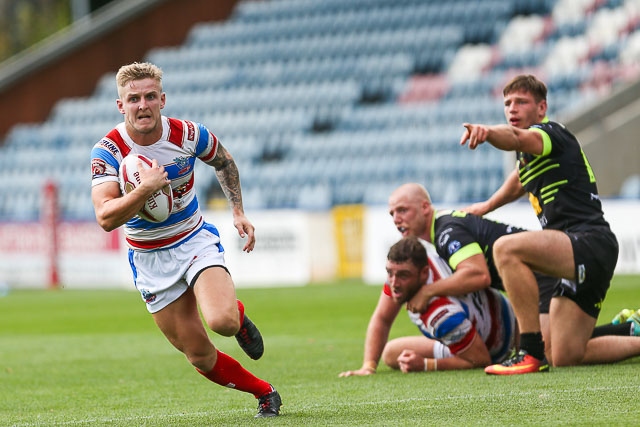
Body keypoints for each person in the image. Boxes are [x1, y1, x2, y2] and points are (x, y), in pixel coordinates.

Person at [90, 62, 281, 416]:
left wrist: (238, 211)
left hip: (192, 240)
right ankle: (265, 393)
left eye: (150, 97)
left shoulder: (188, 134)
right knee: (199, 354)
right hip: (148, 257)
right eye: (133, 99)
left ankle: (236, 316)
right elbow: (105, 217)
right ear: (121, 106)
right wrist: (144, 190)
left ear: (162, 99)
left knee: (222, 322)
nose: (142, 105)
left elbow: (224, 161)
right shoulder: (108, 151)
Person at [459, 74, 626, 374]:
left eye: (521, 102)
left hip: (587, 242)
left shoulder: (548, 132)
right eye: (508, 103)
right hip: (582, 251)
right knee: (564, 354)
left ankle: (529, 352)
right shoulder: (530, 156)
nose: (512, 108)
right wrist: (486, 206)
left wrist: (487, 133)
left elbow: (517, 138)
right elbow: (520, 179)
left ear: (541, 107)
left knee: (506, 249)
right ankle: (631, 331)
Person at [339, 235, 517, 375]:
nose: (393, 282)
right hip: (494, 315)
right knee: (391, 353)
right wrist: (368, 367)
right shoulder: (422, 263)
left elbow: (480, 359)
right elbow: (382, 318)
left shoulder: (441, 315)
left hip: (499, 346)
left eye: (403, 275)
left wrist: (426, 364)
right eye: (389, 272)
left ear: (424, 273)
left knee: (400, 355)